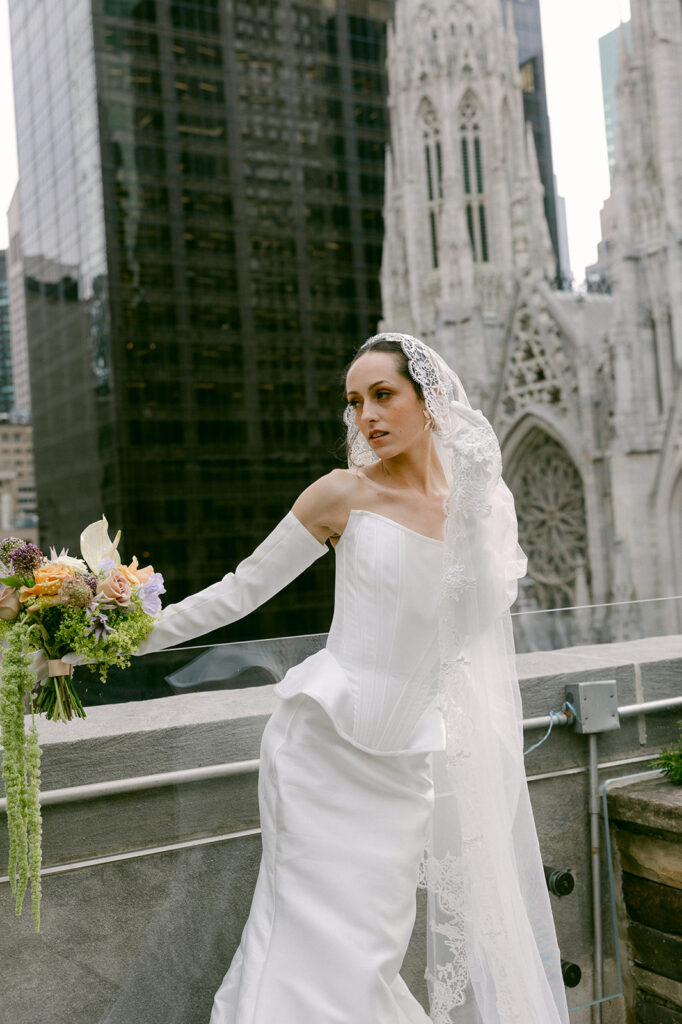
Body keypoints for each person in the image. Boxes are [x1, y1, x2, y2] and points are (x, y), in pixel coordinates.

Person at [134, 333, 571, 1024]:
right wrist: (115, 641)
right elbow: (238, 592)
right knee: (307, 943)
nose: (366, 415)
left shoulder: (480, 512)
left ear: (430, 402)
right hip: (320, 755)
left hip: (402, 773)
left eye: (383, 395)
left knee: (368, 953)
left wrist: (477, 517)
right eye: (354, 401)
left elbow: (478, 629)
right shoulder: (341, 494)